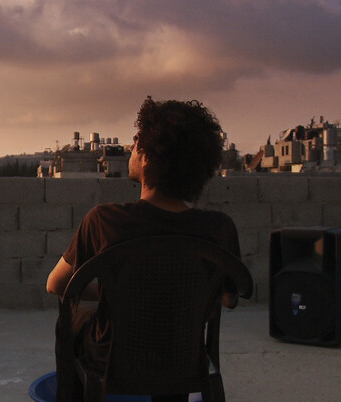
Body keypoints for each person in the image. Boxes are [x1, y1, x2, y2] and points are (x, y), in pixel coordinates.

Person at [46, 96, 241, 402]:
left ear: (150, 156)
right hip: (186, 358)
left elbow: (57, 284)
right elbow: (229, 298)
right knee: (174, 333)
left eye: (137, 139)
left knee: (69, 321)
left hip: (112, 361)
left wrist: (123, 292)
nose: (131, 146)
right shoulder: (219, 228)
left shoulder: (103, 220)